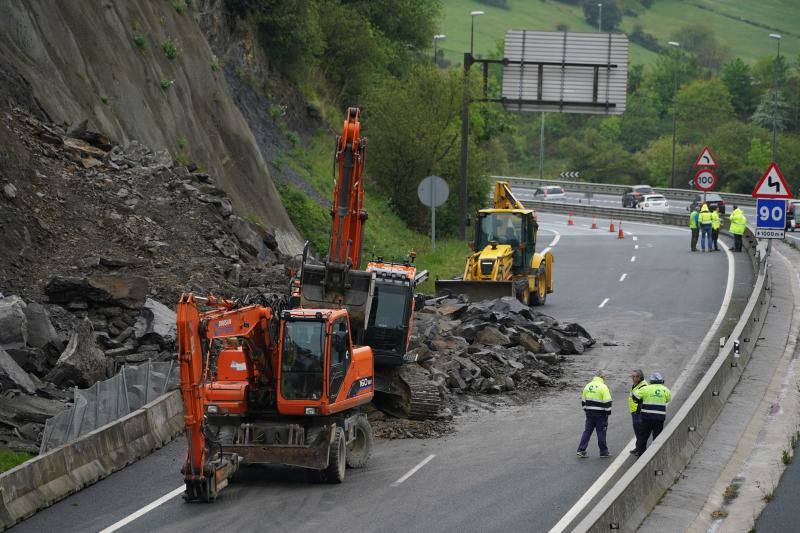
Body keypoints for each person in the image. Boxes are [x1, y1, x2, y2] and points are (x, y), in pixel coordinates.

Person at [631, 372, 672, 456]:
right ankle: (655, 454)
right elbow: (668, 399)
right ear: (661, 381)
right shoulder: (665, 390)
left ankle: (641, 454)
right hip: (659, 418)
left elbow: (634, 397)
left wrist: (641, 401)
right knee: (657, 437)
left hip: (647, 417)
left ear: (651, 381)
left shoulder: (646, 388)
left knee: (643, 436)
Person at [577, 371, 613, 458]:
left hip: (589, 413)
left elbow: (583, 401)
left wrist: (587, 410)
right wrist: (607, 413)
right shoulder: (603, 387)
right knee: (601, 432)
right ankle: (604, 452)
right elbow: (608, 402)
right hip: (600, 414)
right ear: (603, 377)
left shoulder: (588, 385)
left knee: (587, 431)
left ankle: (581, 450)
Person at [628, 369, 648, 454]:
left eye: (636, 376)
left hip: (639, 411)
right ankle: (638, 447)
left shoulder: (643, 386)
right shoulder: (636, 385)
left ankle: (640, 449)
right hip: (634, 411)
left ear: (640, 377)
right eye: (632, 376)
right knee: (637, 431)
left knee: (640, 431)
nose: (634, 378)